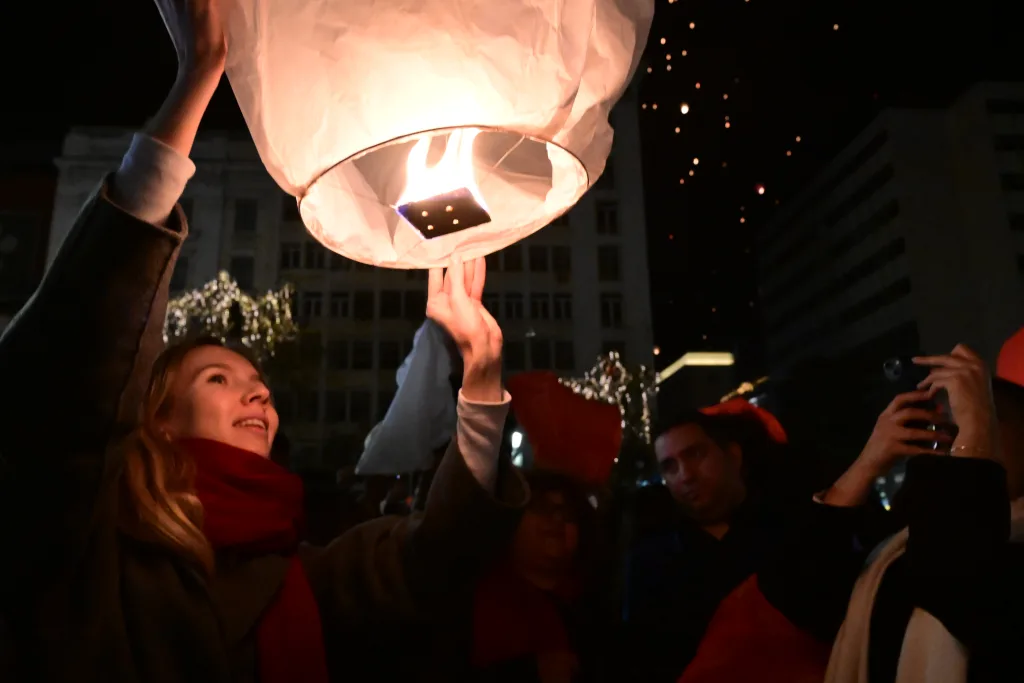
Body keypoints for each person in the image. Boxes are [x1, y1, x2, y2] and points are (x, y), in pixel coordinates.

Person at [0, 2, 526, 683]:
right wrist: (197, 77)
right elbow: (74, 368)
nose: (257, 391)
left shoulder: (302, 573)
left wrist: (481, 377)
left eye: (256, 382)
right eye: (216, 377)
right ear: (154, 416)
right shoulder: (83, 544)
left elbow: (439, 557)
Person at [766, 345, 1024, 683]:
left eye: (965, 423)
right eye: (937, 433)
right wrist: (867, 464)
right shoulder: (899, 545)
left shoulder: (978, 547)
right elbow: (801, 593)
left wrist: (975, 434)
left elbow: (959, 587)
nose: (948, 445)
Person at [622, 400, 803, 681]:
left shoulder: (793, 532)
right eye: (670, 466)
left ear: (733, 455)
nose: (686, 475)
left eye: (695, 454)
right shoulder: (652, 562)